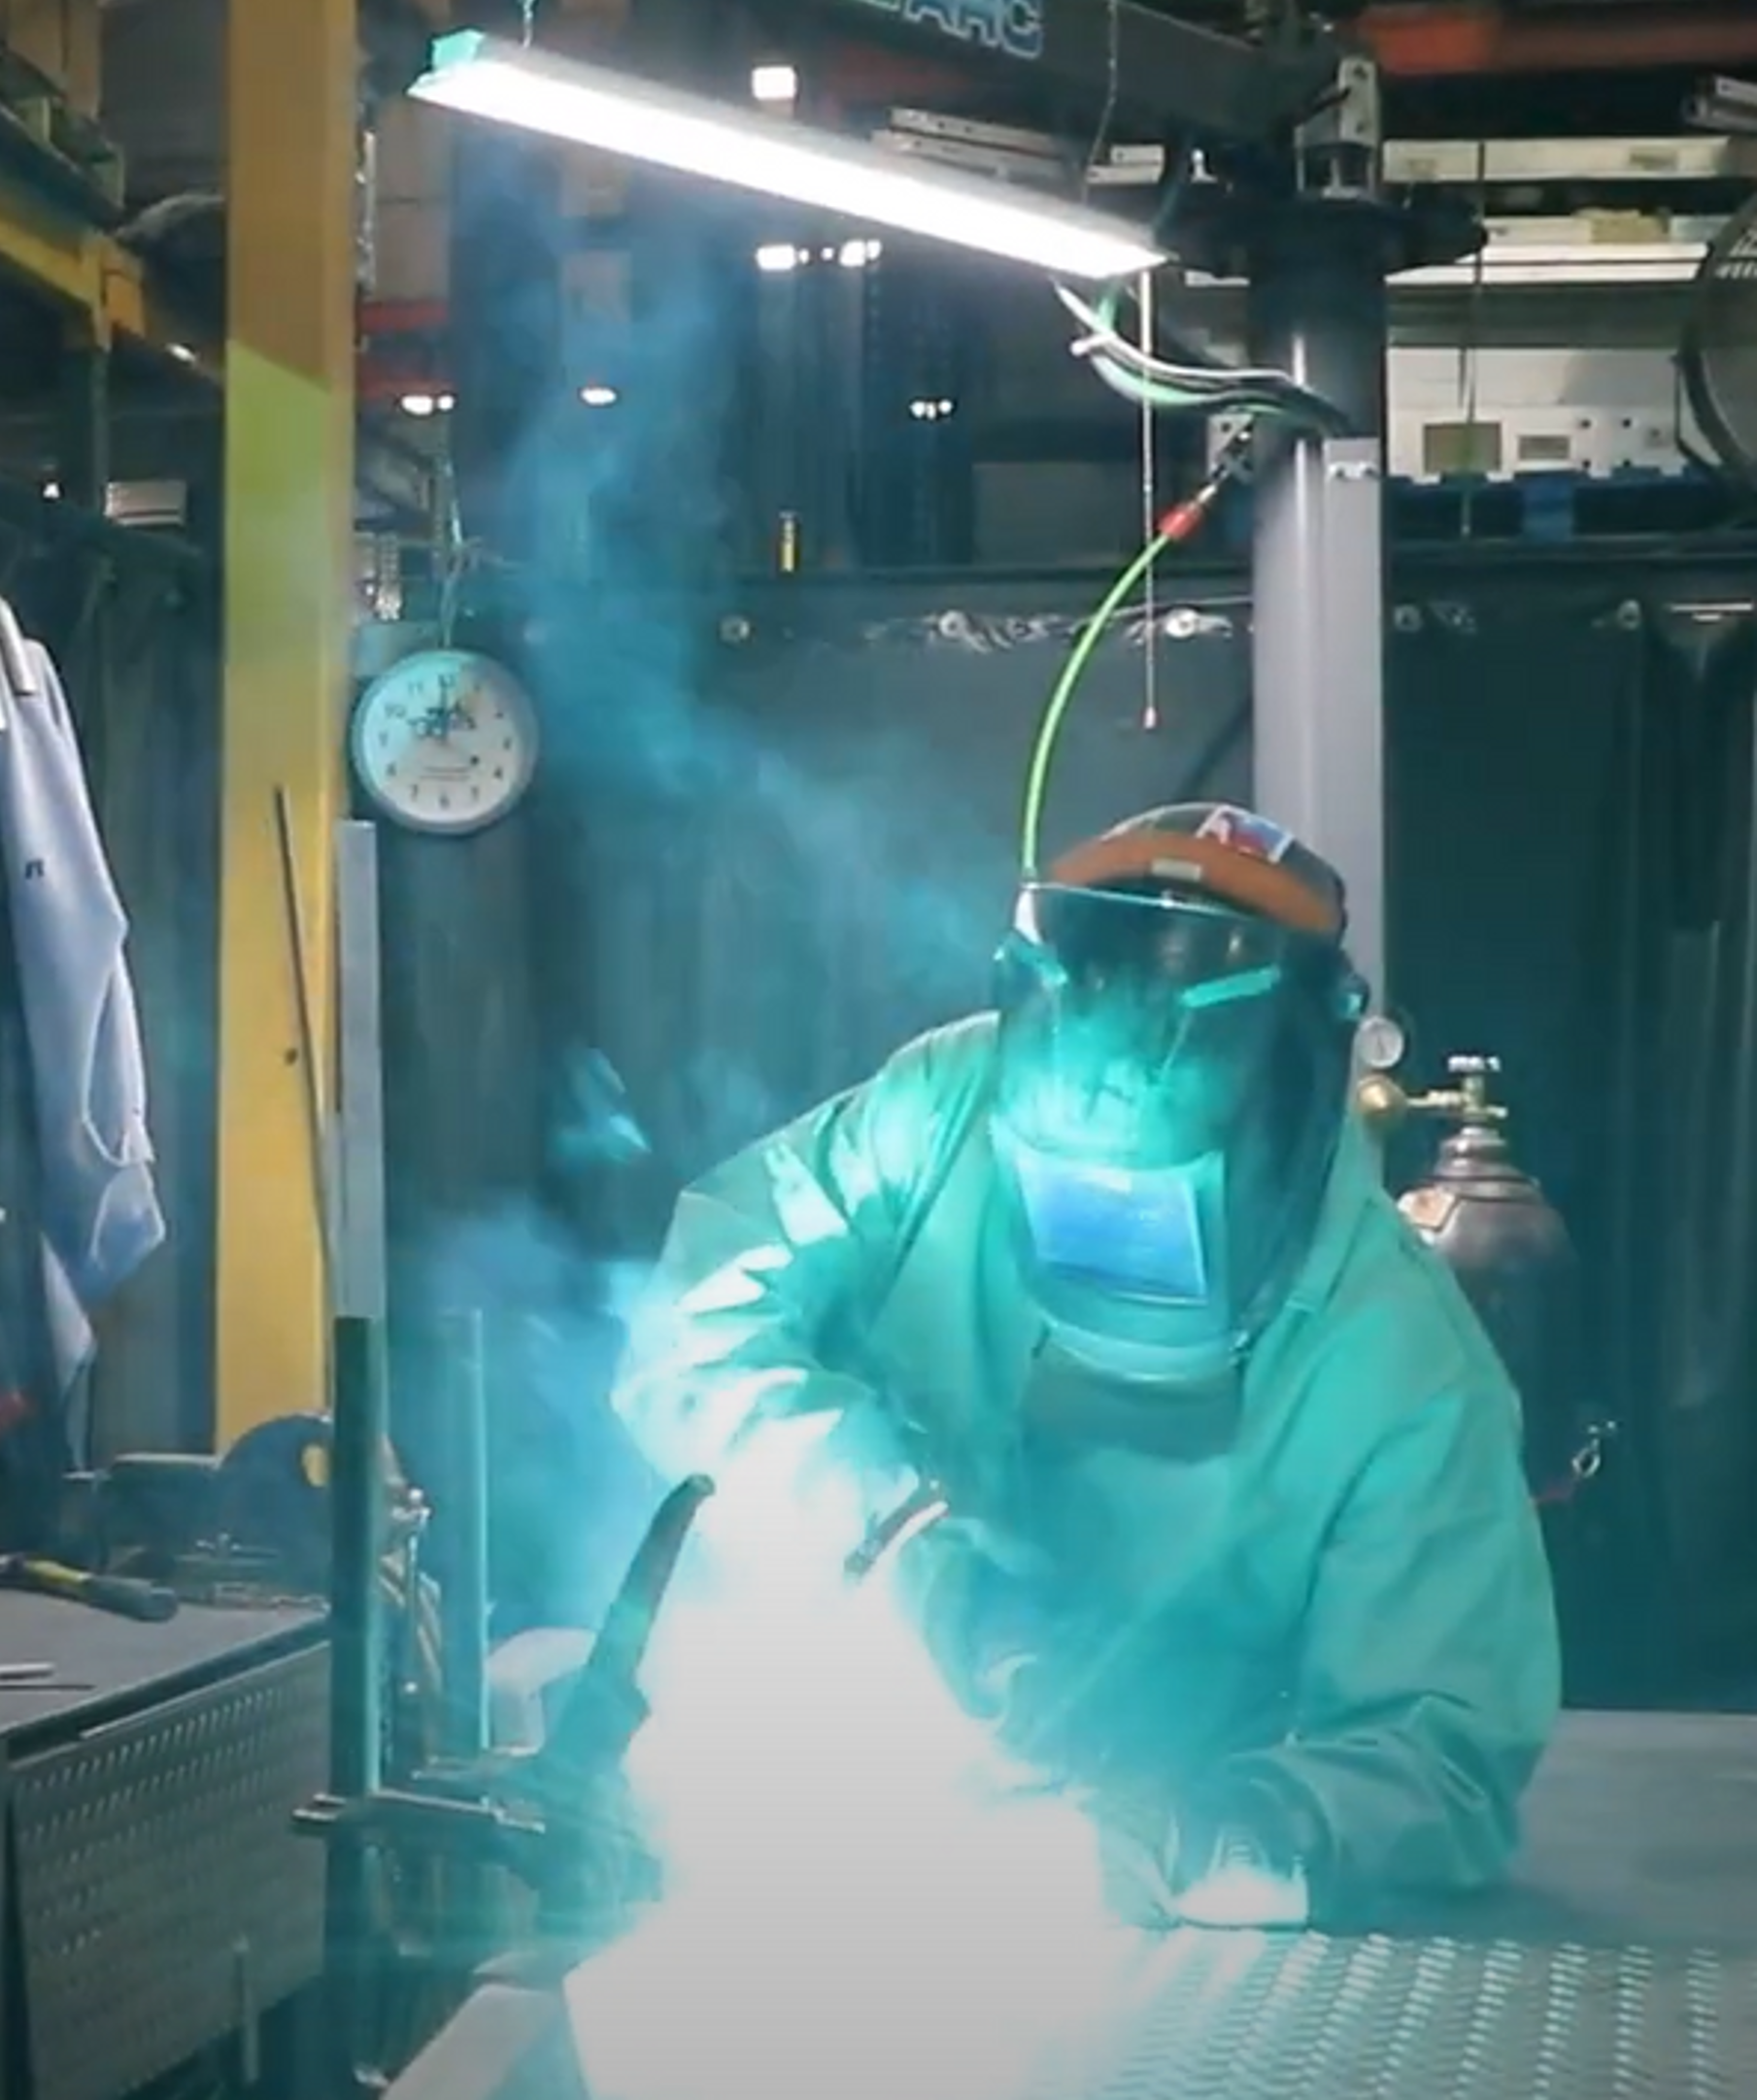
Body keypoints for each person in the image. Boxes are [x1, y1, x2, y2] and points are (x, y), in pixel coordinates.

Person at [612, 802, 1561, 1930]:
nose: (1108, 1249)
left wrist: (1203, 1830)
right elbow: (694, 1326)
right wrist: (890, 1529)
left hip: (1135, 1861)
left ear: (1283, 1108)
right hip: (834, 1771)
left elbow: (1441, 1755)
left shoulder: (1400, 1365)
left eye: (1151, 1207)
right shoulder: (941, 1108)